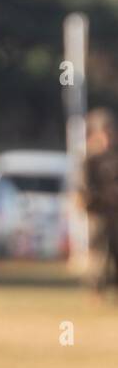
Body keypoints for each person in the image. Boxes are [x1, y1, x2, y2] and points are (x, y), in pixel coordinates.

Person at [79, 107, 118, 302]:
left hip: (115, 214)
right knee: (99, 255)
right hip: (99, 214)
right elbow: (85, 189)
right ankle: (96, 291)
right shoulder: (90, 159)